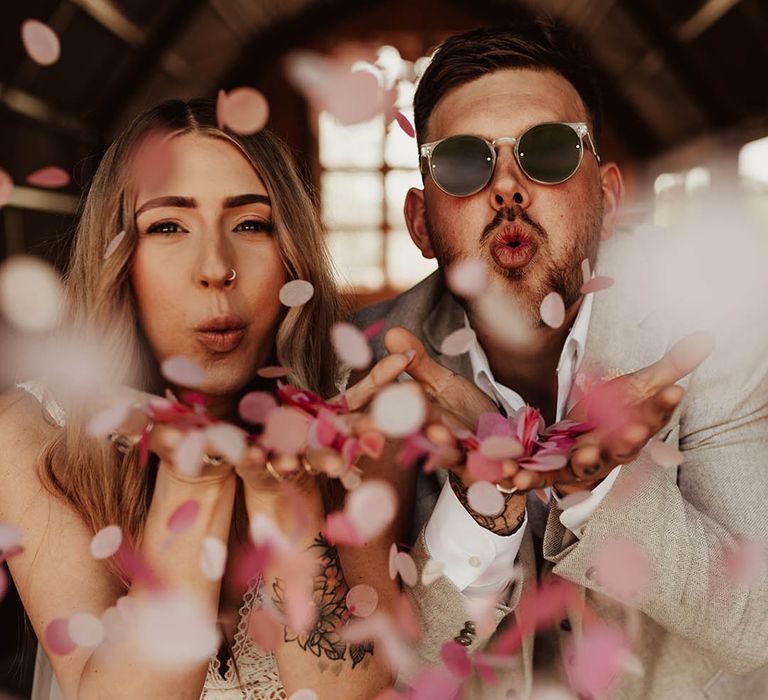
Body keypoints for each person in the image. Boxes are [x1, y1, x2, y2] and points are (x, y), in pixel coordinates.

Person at [353, 18, 768, 699]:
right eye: (464, 161)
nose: (509, 188)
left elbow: (757, 622)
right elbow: (379, 671)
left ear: (607, 196)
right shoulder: (371, 364)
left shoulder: (714, 333)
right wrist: (480, 511)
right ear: (421, 222)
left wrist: (603, 493)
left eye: (547, 152)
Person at [0, 98, 411, 700]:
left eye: (251, 224)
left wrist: (282, 496)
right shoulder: (33, 431)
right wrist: (196, 481)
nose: (216, 267)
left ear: (292, 255)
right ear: (118, 257)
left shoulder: (361, 417)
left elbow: (350, 693)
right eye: (167, 226)